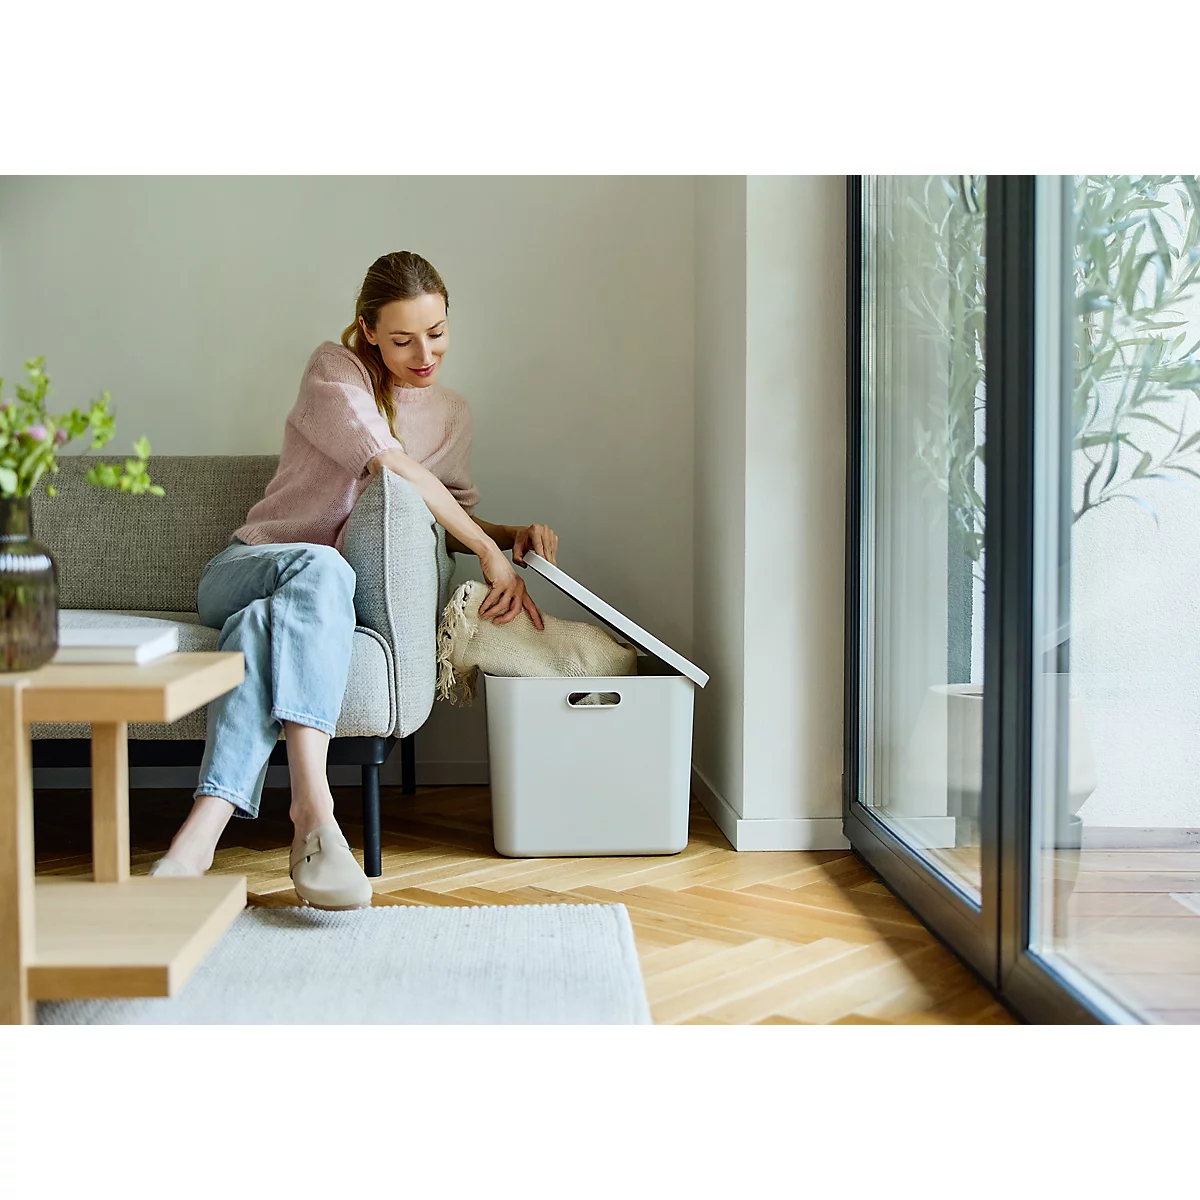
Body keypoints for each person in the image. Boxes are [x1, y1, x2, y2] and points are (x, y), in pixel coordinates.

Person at [148, 251, 559, 909]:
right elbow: (392, 465)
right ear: (368, 330)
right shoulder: (335, 371)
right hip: (248, 567)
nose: (424, 354)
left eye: (436, 333)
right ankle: (314, 811)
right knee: (321, 565)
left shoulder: (452, 413)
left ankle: (197, 840)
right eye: (402, 339)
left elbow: (445, 515)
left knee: (263, 627)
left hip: (308, 603)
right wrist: (488, 550)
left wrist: (508, 537)